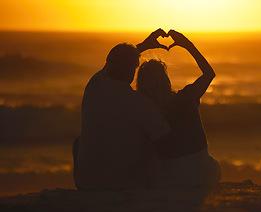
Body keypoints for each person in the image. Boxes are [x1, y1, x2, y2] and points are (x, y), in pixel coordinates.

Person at [74, 29, 172, 190]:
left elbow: (113, 65)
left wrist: (143, 46)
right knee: (152, 140)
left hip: (85, 184)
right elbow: (165, 142)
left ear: (108, 64)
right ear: (134, 70)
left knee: (78, 143)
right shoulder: (141, 103)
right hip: (123, 185)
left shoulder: (93, 86)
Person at [136, 30, 221, 188]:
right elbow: (209, 73)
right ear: (166, 81)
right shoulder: (186, 97)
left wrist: (140, 48)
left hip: (172, 176)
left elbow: (111, 78)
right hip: (204, 173)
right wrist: (188, 45)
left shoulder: (144, 110)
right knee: (215, 166)